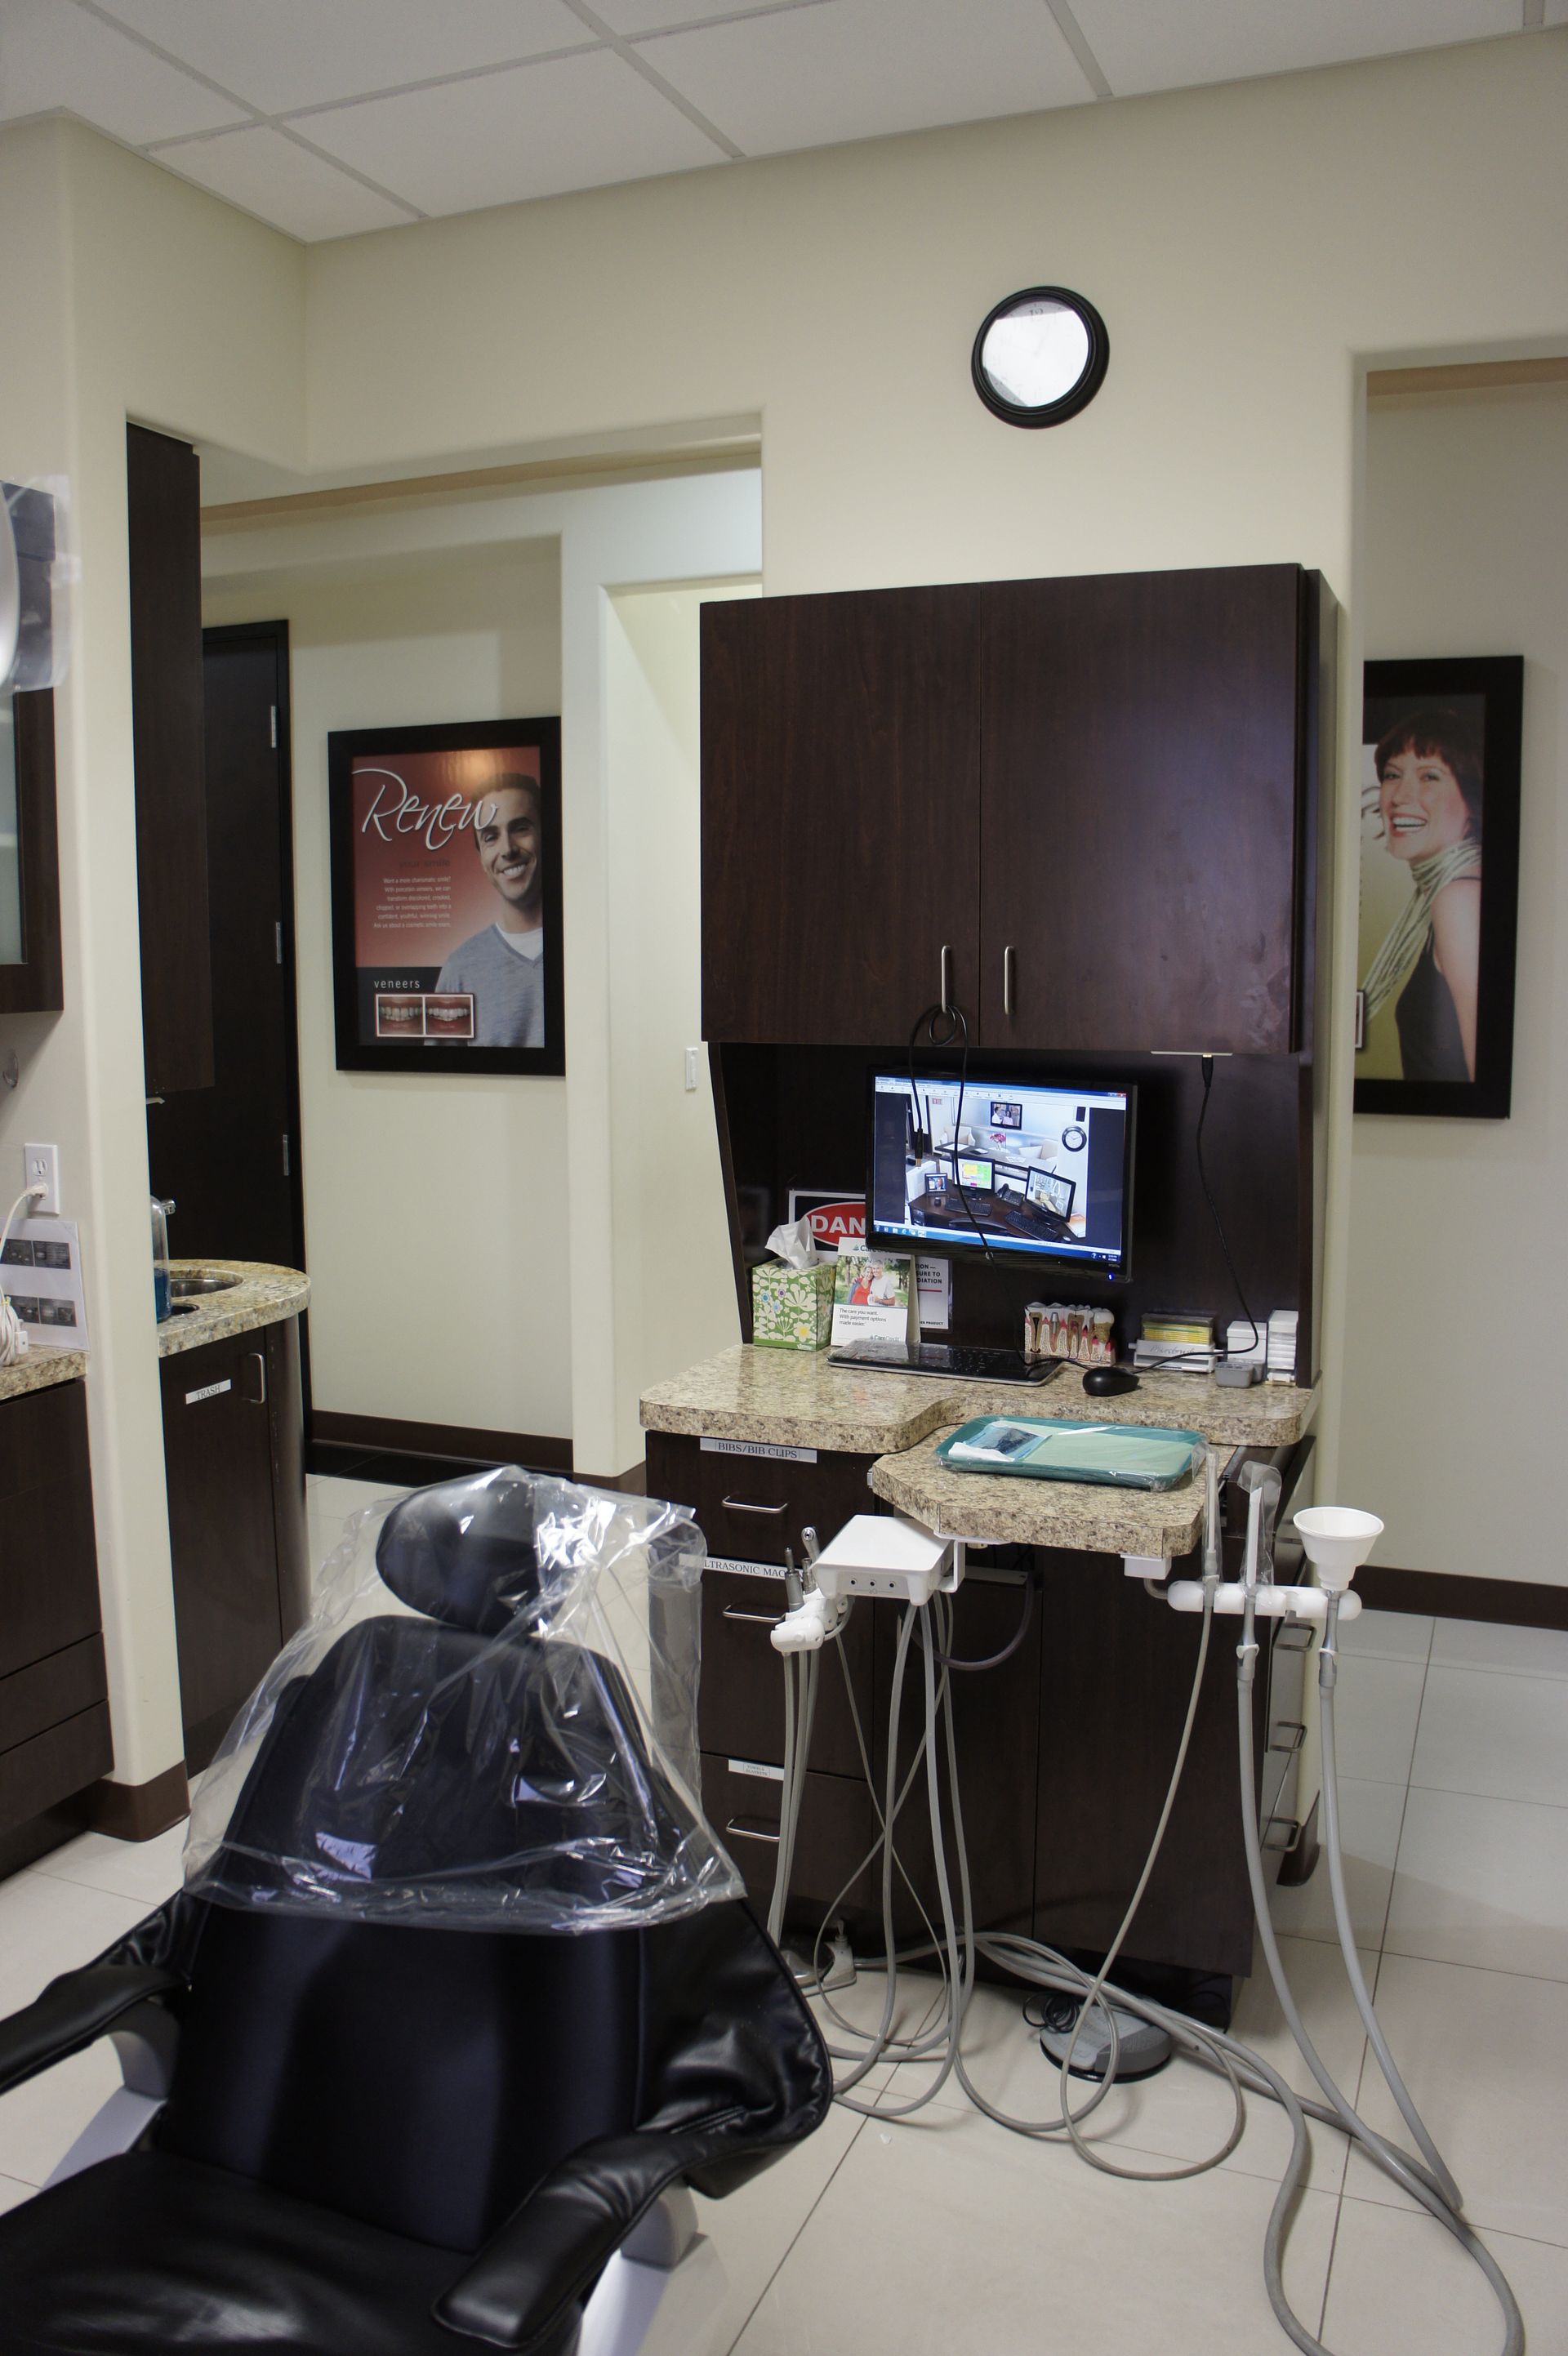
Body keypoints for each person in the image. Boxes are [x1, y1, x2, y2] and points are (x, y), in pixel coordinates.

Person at [1360, 708, 1483, 1083]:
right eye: (1392, 775)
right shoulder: (1451, 889)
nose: (1401, 796)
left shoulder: (1459, 898)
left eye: (1430, 776)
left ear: (1473, 799)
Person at [434, 775, 546, 1048]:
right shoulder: (458, 970)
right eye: (491, 837)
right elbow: (443, 1082)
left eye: (521, 828)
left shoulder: (589, 946)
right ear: (481, 857)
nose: (507, 850)